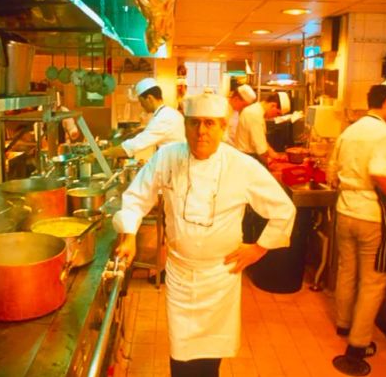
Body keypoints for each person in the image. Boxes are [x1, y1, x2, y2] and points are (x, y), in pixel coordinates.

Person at [113, 92, 296, 377]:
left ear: (223, 127)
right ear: (184, 125)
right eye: (194, 123)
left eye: (210, 123)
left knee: (212, 356)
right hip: (180, 275)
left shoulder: (242, 165)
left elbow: (283, 209)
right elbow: (137, 196)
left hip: (220, 277)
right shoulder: (167, 157)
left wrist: (259, 248)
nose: (201, 132)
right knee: (181, 355)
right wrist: (128, 235)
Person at [329, 77, 386, 376]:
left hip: (345, 210)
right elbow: (379, 172)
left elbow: (333, 172)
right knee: (374, 280)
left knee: (346, 270)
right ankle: (357, 344)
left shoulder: (350, 130)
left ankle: (343, 324)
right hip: (369, 215)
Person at [88, 77, 185, 161]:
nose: (141, 105)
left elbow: (132, 147)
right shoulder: (169, 113)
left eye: (141, 101)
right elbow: (152, 131)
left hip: (175, 166)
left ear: (149, 99)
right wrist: (133, 132)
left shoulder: (163, 119)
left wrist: (100, 154)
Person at [234, 91, 289, 166]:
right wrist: (271, 164)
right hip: (246, 159)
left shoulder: (257, 111)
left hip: (248, 157)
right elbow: (261, 151)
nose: (276, 117)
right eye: (278, 113)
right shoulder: (254, 114)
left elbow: (262, 140)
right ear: (273, 105)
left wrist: (274, 154)